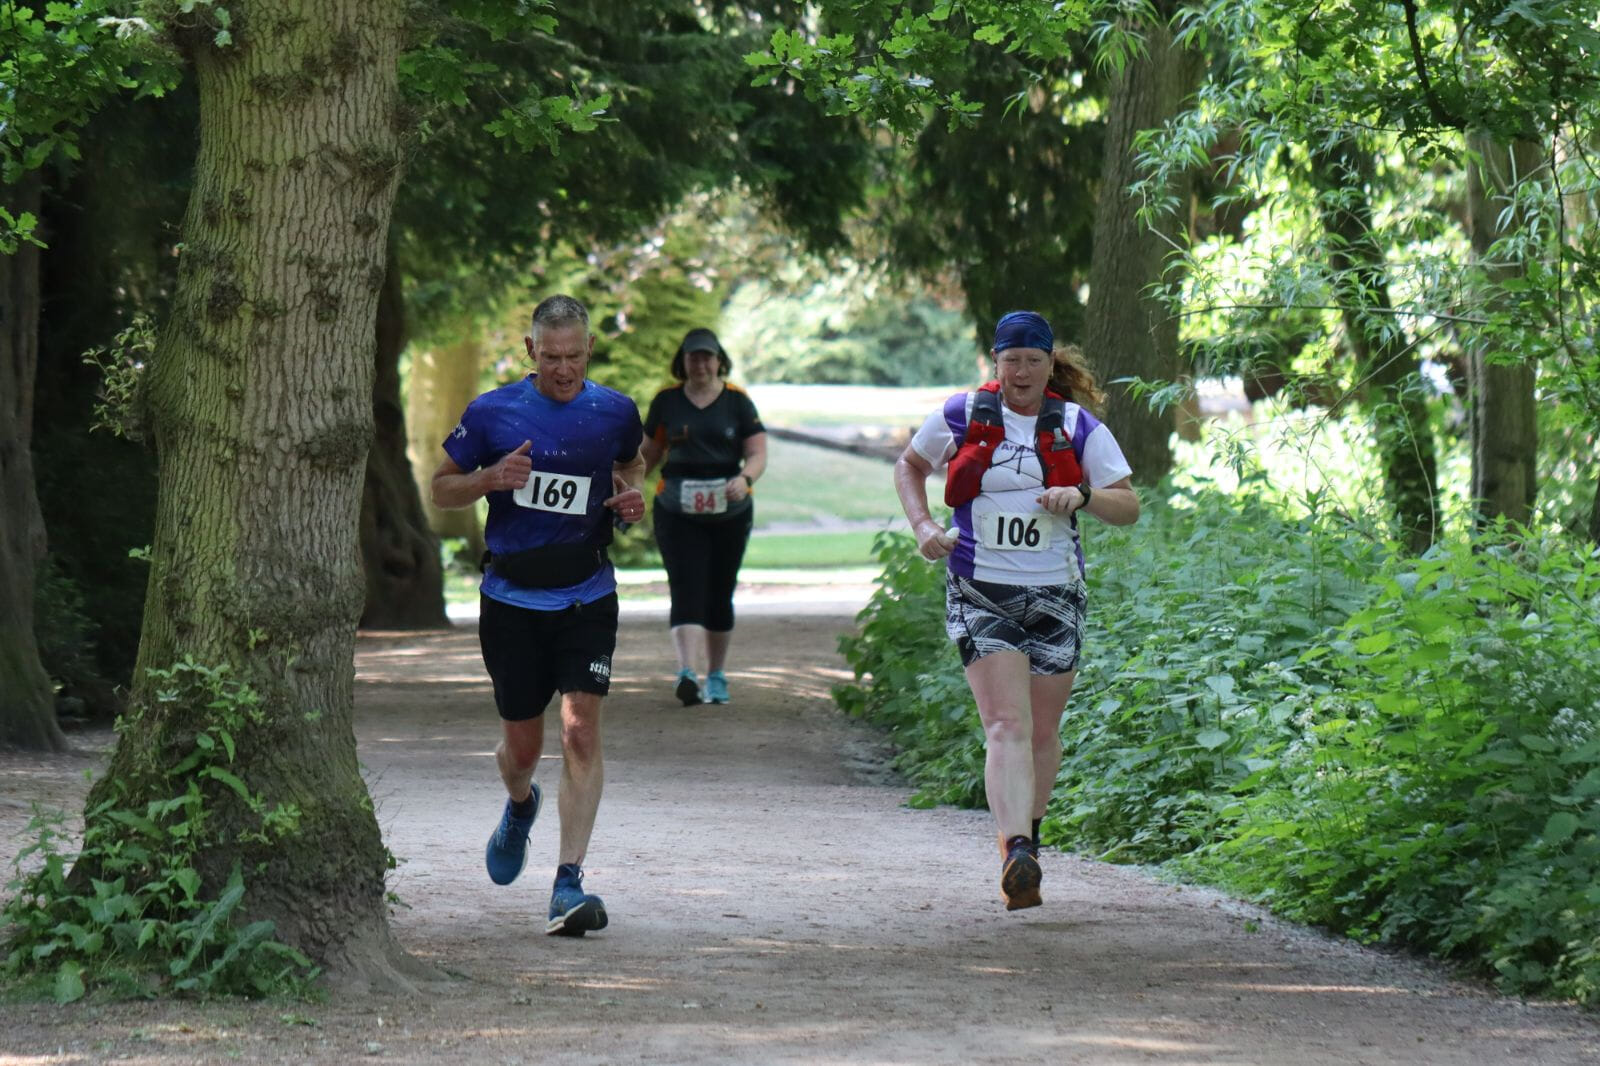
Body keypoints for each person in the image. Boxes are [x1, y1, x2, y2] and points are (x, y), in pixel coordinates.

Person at [893, 311, 1139, 911]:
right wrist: (924, 525)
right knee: (1006, 723)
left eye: (1034, 360)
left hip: (1057, 591)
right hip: (981, 586)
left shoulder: (1078, 425)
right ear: (996, 364)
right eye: (1012, 361)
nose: (1022, 372)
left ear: (1051, 364)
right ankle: (1017, 849)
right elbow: (910, 465)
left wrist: (1081, 494)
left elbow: (1128, 506)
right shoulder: (961, 414)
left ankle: (1027, 836)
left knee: (1042, 731)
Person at [430, 294, 646, 937]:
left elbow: (630, 461)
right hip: (511, 600)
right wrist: (489, 478)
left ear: (589, 351)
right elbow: (441, 488)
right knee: (521, 749)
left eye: (574, 356)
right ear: (531, 352)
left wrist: (631, 496)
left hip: (587, 593)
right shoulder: (492, 412)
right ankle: (520, 805)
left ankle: (567, 883)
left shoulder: (614, 411)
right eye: (551, 357)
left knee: (580, 732)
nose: (563, 369)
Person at [640, 327, 768, 706]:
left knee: (720, 589)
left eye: (707, 356)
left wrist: (744, 479)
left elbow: (758, 453)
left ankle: (716, 675)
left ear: (719, 360)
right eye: (693, 357)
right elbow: (648, 454)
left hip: (730, 509)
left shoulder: (738, 402)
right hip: (677, 508)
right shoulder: (666, 402)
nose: (700, 364)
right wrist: (625, 490)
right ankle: (686, 674)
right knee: (685, 585)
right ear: (683, 362)